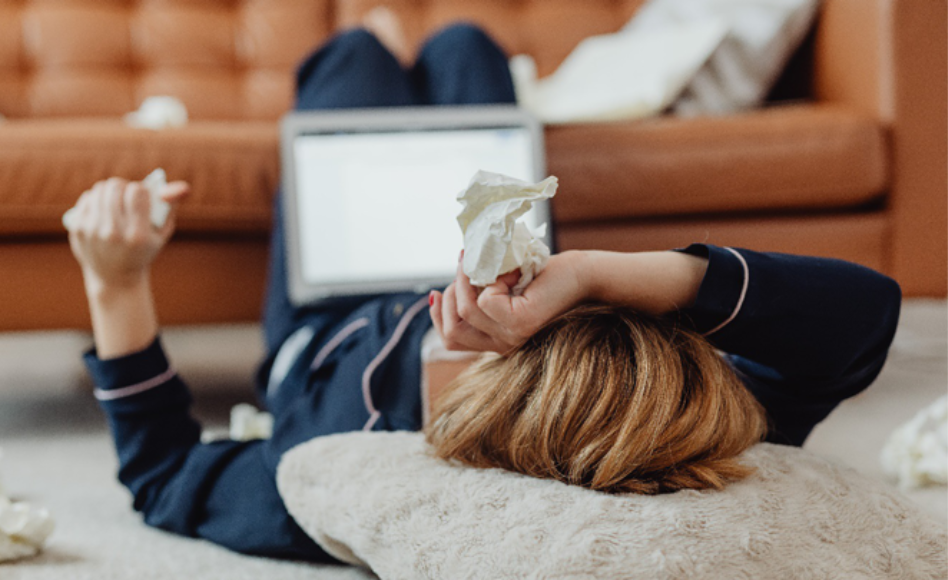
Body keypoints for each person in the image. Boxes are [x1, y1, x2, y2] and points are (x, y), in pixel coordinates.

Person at [66, 21, 902, 564]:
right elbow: (865, 313)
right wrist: (588, 273)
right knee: (467, 44)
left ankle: (380, 38)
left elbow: (167, 476)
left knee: (350, 53)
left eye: (472, 359)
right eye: (562, 322)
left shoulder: (350, 470)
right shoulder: (683, 417)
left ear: (461, 427)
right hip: (492, 240)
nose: (466, 324)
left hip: (331, 312)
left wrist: (116, 281)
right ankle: (455, 60)